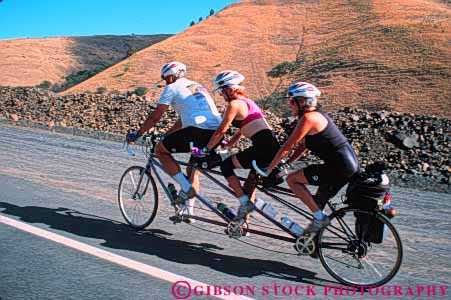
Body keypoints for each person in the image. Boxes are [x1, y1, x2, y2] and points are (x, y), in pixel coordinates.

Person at [126, 61, 222, 222]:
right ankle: (188, 211)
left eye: (165, 79)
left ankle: (186, 188)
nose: (165, 82)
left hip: (197, 131)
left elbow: (156, 116)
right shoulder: (197, 86)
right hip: (216, 132)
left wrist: (138, 133)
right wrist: (167, 135)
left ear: (170, 77)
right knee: (193, 169)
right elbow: (183, 119)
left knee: (160, 150)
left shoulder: (171, 88)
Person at [267, 82, 359, 234]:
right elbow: (303, 146)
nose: (290, 105)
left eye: (291, 101)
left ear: (302, 101)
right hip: (348, 165)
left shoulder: (308, 118)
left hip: (339, 167)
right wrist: (287, 163)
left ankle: (321, 219)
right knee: (317, 203)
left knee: (292, 180)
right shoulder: (319, 115)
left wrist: (268, 169)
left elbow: (288, 146)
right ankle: (313, 241)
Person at [203, 70, 280, 219]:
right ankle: (243, 221)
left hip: (262, 147)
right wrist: (227, 146)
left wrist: (206, 150)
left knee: (226, 166)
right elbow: (241, 130)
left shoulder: (234, 104)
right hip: (270, 145)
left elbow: (220, 131)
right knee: (250, 184)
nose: (221, 95)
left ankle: (244, 203)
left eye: (222, 91)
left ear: (230, 90)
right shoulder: (248, 102)